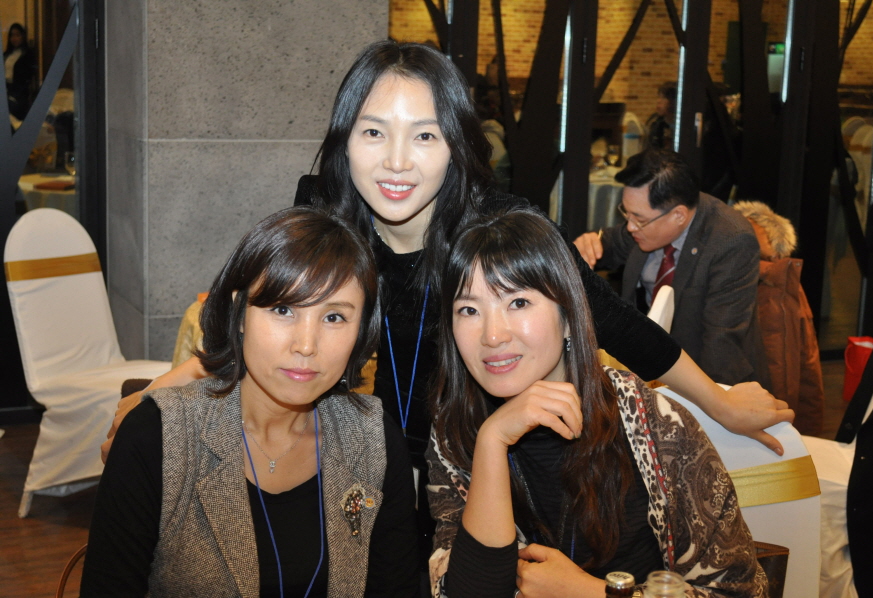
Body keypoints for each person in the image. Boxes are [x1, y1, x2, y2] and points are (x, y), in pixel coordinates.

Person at [102, 39, 789, 575]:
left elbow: (614, 320)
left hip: (471, 462)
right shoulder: (330, 213)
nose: (397, 162)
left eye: (425, 136)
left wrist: (721, 402)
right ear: (345, 139)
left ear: (456, 145)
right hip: (365, 461)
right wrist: (159, 393)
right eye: (374, 133)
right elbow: (268, 321)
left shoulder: (496, 230)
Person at [426, 208, 766, 597]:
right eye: (469, 310)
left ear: (569, 316)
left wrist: (593, 594)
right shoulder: (455, 432)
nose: (492, 335)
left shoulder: (653, 424)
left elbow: (741, 591)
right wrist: (493, 439)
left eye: (518, 303)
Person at [82, 207, 419, 597]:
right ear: (240, 312)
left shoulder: (374, 441)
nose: (306, 346)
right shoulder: (157, 439)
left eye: (334, 318)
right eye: (283, 309)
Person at [574, 149, 768, 387]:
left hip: (705, 379)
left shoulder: (731, 242)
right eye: (627, 214)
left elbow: (722, 343)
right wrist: (587, 245)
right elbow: (610, 244)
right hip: (646, 369)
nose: (630, 227)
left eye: (639, 219)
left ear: (679, 215)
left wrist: (704, 402)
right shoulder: (648, 222)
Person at [733, 200, 824, 436]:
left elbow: (782, 369)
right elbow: (807, 366)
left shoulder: (771, 285)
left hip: (753, 419)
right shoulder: (779, 279)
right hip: (764, 417)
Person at [4, 23, 35, 120]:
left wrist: (15, 94)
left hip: (19, 92)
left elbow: (27, 77)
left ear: (23, 36)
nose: (14, 38)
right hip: (5, 88)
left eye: (17, 35)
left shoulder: (27, 54)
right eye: (12, 35)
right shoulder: (6, 54)